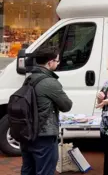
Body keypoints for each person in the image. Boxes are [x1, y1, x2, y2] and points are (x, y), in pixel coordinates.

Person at [21, 46, 73, 175]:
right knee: (45, 171)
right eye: (57, 61)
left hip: (27, 133)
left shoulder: (29, 79)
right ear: (50, 63)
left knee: (28, 169)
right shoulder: (49, 82)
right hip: (44, 135)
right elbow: (67, 106)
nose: (58, 63)